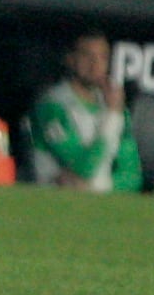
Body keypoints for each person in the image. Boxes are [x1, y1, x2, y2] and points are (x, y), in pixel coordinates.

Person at [30, 31, 140, 192]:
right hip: (53, 200)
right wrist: (112, 117)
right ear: (70, 60)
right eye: (87, 56)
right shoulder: (52, 107)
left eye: (103, 57)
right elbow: (83, 169)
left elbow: (132, 177)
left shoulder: (116, 109)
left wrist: (97, 186)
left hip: (102, 201)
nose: (95, 65)